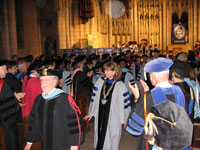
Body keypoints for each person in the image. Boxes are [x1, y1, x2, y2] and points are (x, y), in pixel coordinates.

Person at [126, 57, 187, 150]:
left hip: (155, 144)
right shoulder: (180, 91)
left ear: (153, 76)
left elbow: (134, 129)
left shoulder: (149, 97)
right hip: (177, 142)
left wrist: (138, 98)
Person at [24, 69, 83, 150]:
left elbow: (73, 123)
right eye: (41, 80)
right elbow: (34, 120)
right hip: (45, 141)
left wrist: (74, 144)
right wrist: (29, 141)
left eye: (47, 80)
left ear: (55, 81)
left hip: (62, 143)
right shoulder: (39, 99)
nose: (43, 83)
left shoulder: (65, 99)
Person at [84, 61, 131, 150]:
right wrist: (91, 112)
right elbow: (94, 98)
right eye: (105, 70)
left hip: (114, 115)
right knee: (100, 133)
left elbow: (125, 104)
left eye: (109, 70)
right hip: (100, 113)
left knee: (113, 134)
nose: (106, 72)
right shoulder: (100, 82)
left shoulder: (120, 85)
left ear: (115, 71)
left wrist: (125, 119)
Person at [0, 60, 21, 150]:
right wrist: (15, 99)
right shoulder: (1, 84)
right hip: (5, 124)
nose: (6, 71)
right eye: (4, 69)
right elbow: (8, 105)